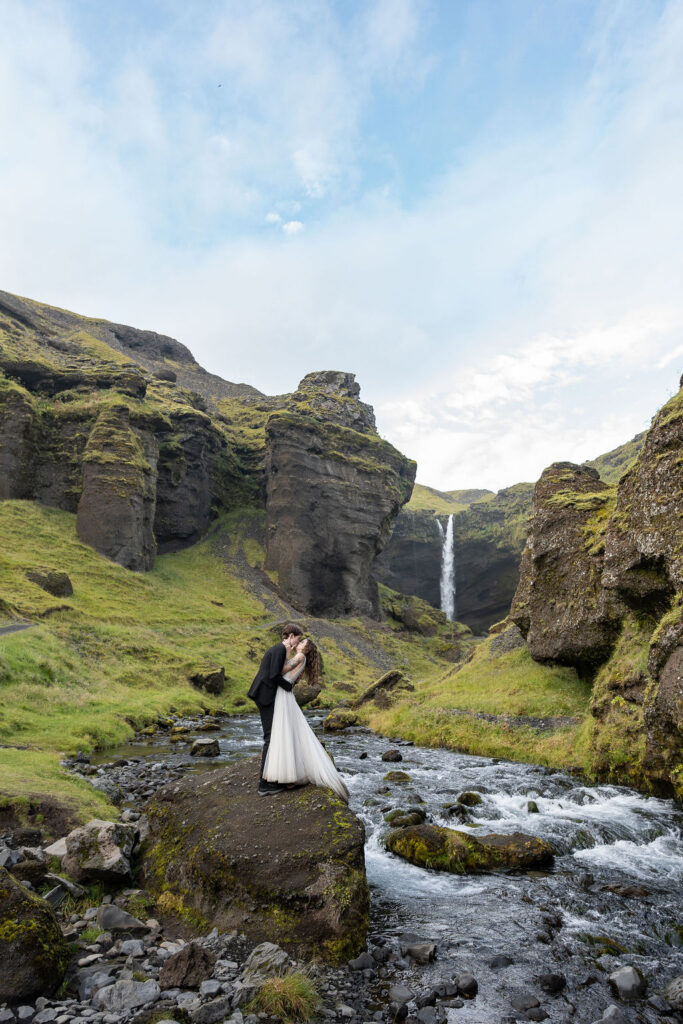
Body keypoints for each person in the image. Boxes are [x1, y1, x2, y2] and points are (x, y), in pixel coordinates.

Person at [262, 637, 349, 803]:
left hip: (284, 695)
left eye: (302, 643)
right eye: (300, 641)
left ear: (306, 648)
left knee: (286, 731)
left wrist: (285, 651)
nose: (299, 643)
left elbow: (281, 671)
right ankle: (287, 773)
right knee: (287, 730)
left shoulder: (300, 657)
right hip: (284, 694)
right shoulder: (302, 658)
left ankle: (288, 775)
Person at [248, 623, 303, 796]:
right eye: (298, 639)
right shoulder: (280, 649)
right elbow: (274, 675)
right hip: (265, 696)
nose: (297, 643)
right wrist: (288, 686)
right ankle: (263, 784)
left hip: (263, 694)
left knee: (270, 737)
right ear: (291, 636)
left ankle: (267, 780)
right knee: (269, 738)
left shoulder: (278, 649)